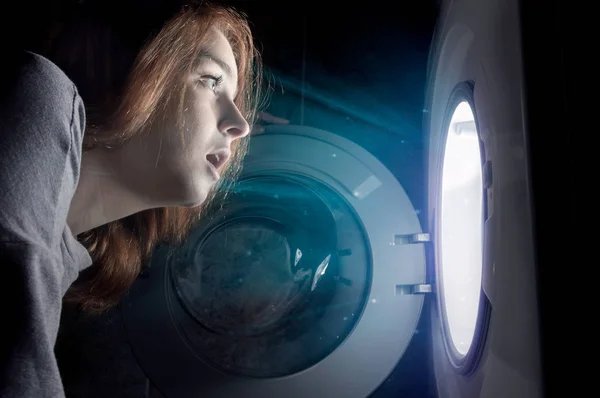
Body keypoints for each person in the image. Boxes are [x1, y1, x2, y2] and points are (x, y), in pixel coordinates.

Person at [0, 1, 289, 396]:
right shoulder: (39, 92)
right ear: (136, 71)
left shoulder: (64, 255)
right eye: (210, 80)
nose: (239, 125)